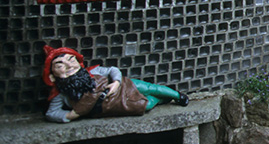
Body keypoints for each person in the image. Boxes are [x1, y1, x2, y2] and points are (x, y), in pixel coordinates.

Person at [43, 45, 189, 123]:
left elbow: (112, 70)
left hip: (122, 87)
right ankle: (161, 100)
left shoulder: (93, 72)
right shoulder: (62, 95)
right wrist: (71, 114)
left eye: (71, 59)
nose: (69, 65)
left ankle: (177, 95)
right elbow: (51, 113)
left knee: (149, 88)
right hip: (112, 106)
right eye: (60, 65)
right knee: (146, 105)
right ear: (52, 75)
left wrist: (116, 83)